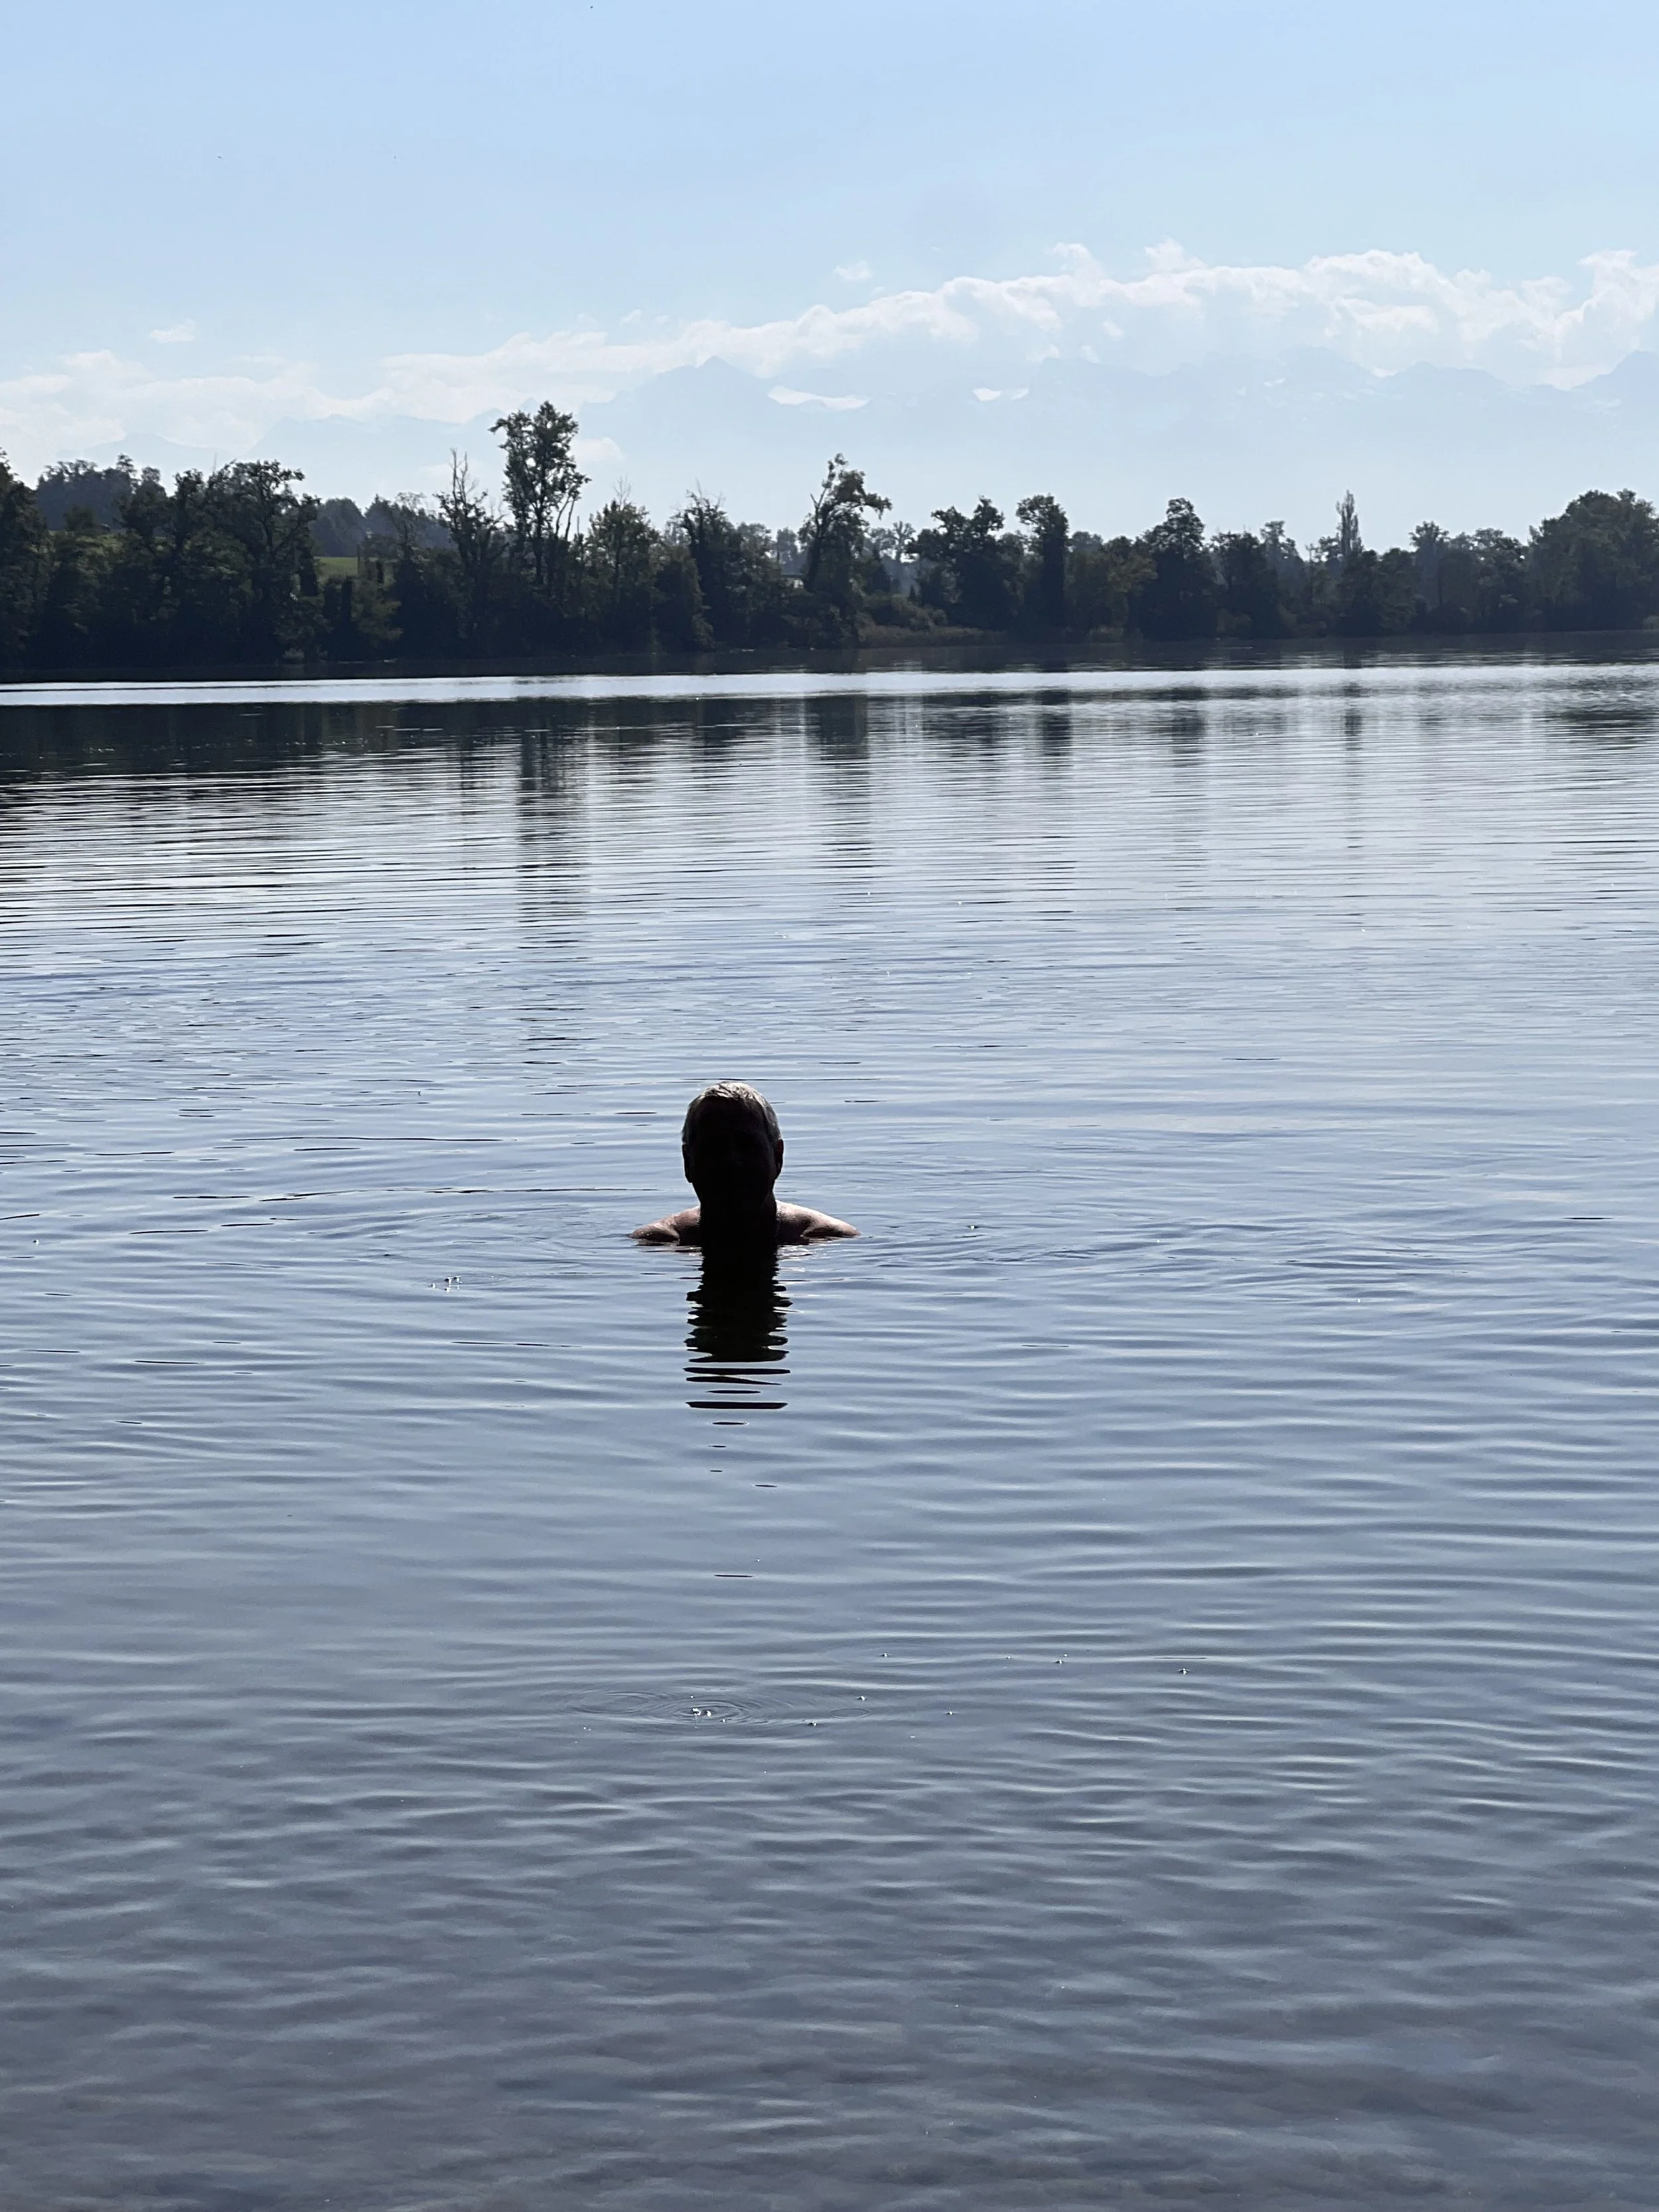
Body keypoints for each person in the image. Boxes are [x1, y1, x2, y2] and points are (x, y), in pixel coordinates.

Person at [632, 1082, 857, 1246]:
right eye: (714, 1148)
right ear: (688, 1162)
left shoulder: (827, 1239)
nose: (732, 1162)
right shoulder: (660, 1243)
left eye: (747, 1146)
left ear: (777, 1157)